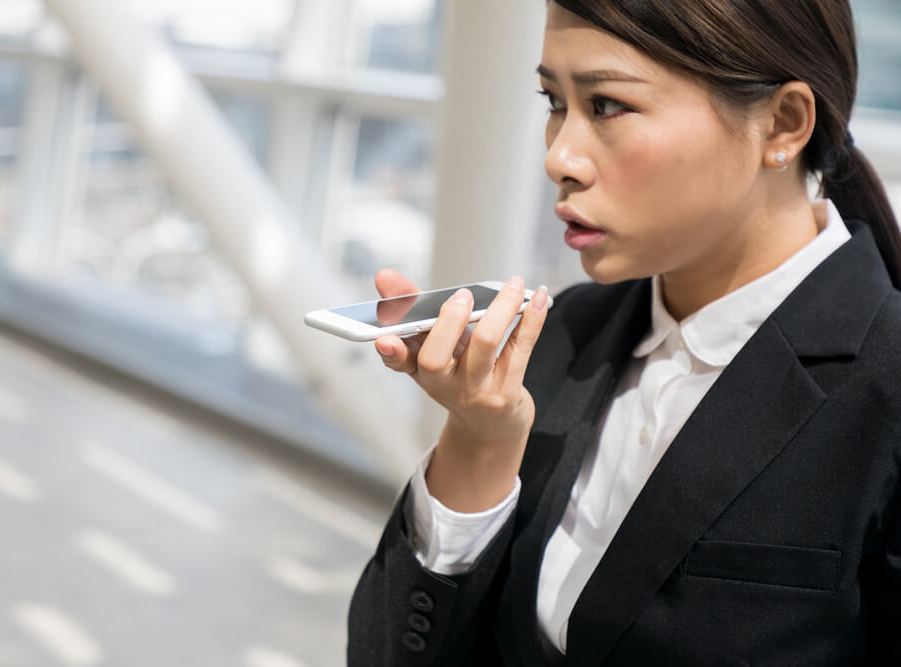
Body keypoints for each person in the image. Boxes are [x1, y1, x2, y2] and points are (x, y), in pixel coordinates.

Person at [347, 0, 901, 665]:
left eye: (606, 105)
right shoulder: (563, 336)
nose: (559, 157)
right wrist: (477, 446)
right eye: (554, 99)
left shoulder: (885, 384)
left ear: (783, 124)